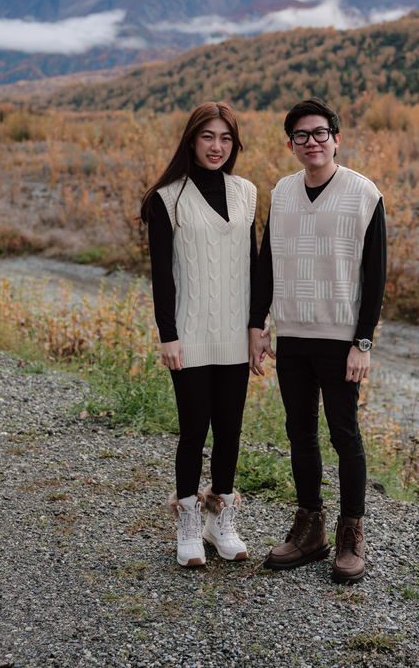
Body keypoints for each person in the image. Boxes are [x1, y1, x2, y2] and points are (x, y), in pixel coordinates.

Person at [249, 97, 386, 584]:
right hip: (293, 334)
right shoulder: (282, 192)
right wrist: (257, 323)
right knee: (299, 432)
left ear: (336, 138)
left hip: (341, 337)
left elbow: (376, 275)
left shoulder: (363, 193)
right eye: (301, 136)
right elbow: (266, 263)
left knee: (344, 433)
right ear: (291, 144)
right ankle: (310, 529)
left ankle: (352, 534)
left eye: (320, 133)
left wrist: (363, 343)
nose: (312, 142)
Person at [141, 102, 257, 568]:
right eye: (208, 137)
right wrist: (168, 335)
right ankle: (188, 523)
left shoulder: (247, 192)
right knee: (194, 430)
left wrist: (257, 327)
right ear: (191, 140)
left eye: (226, 138)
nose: (217, 147)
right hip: (188, 332)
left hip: (235, 332)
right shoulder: (166, 198)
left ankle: (220, 520)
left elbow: (255, 267)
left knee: (230, 428)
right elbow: (162, 277)